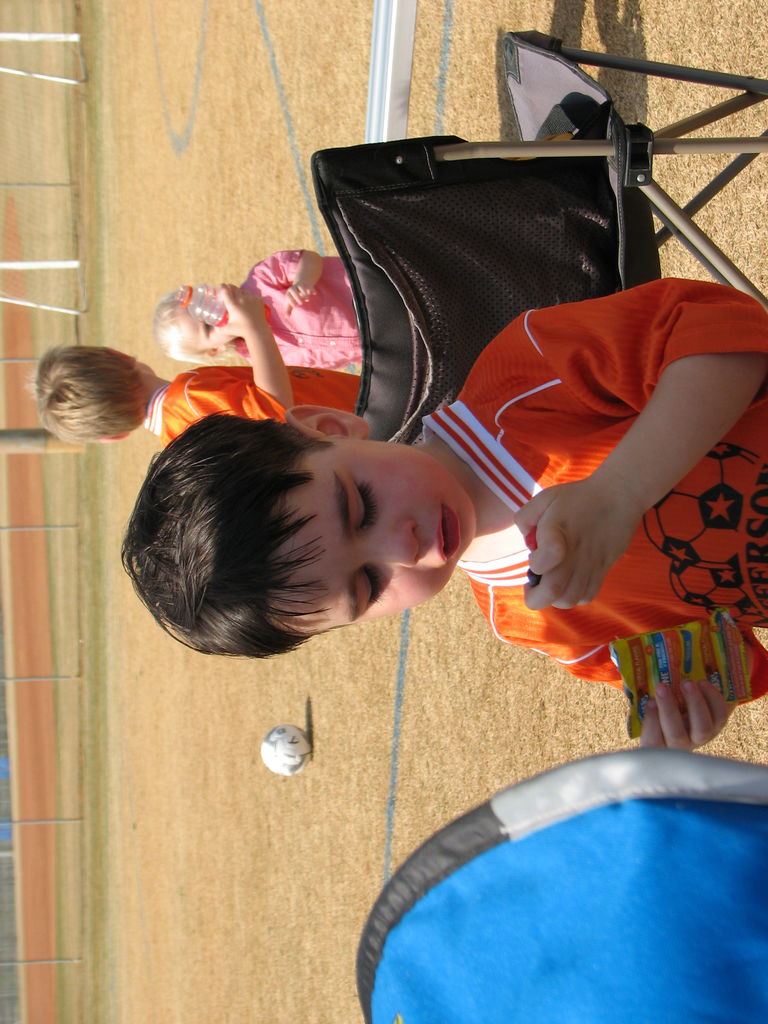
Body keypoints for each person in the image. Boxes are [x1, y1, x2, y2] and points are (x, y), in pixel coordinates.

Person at [121, 278, 768, 749]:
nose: (404, 548)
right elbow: (723, 655)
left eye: (358, 505)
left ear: (328, 424)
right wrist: (689, 712)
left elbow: (731, 334)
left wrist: (621, 492)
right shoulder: (532, 620)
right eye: (368, 585)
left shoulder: (527, 373)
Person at [33, 344, 359, 445]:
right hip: (362, 410)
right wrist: (254, 327)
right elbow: (276, 409)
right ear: (117, 354)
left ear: (114, 436)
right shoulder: (189, 393)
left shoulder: (177, 445)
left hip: (354, 437)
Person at [153, 250, 362, 373]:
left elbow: (308, 258)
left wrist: (304, 280)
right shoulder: (263, 356)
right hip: (372, 346)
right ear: (214, 350)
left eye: (204, 303)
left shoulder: (261, 281)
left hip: (367, 291)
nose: (214, 311)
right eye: (207, 326)